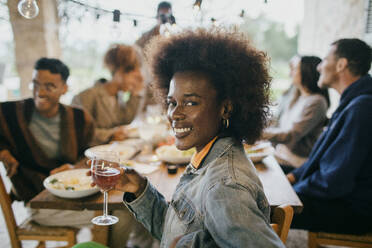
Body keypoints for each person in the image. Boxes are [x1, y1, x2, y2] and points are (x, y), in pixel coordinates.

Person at [96, 29, 284, 247]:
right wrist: (140, 190)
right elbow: (175, 230)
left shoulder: (225, 187)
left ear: (226, 108)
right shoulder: (208, 156)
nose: (174, 114)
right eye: (172, 102)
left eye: (191, 102)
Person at [287, 38, 372, 234]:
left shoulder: (361, 109)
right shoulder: (352, 103)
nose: (318, 67)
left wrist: (290, 192)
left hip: (354, 210)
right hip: (340, 197)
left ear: (341, 65)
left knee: (262, 208)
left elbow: (333, 181)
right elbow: (320, 162)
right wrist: (291, 178)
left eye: (324, 60)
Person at [0, 57, 94, 226]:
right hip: (38, 201)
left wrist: (76, 168)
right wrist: (2, 151)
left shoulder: (80, 119)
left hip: (75, 193)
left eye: (49, 86)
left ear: (64, 89)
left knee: (123, 208)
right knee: (109, 219)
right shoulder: (11, 113)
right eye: (35, 84)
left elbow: (90, 155)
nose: (40, 92)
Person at [263, 56, 330, 172]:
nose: (290, 73)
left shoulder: (317, 102)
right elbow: (276, 122)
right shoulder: (296, 97)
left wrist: (258, 134)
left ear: (306, 71)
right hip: (280, 156)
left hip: (295, 165)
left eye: (294, 69)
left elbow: (291, 134)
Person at [72, 44, 144, 145]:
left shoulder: (118, 96)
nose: (137, 80)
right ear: (118, 71)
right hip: (91, 157)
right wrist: (111, 134)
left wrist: (136, 93)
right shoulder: (86, 96)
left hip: (113, 151)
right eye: (133, 75)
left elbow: (126, 120)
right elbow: (79, 132)